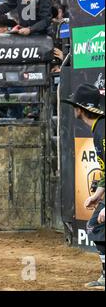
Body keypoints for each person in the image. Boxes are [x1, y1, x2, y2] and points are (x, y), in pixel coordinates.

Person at [62, 84, 105, 289]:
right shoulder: (100, 128)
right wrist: (98, 194)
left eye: (74, 106)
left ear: (80, 108)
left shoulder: (102, 132)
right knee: (97, 224)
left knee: (98, 224)